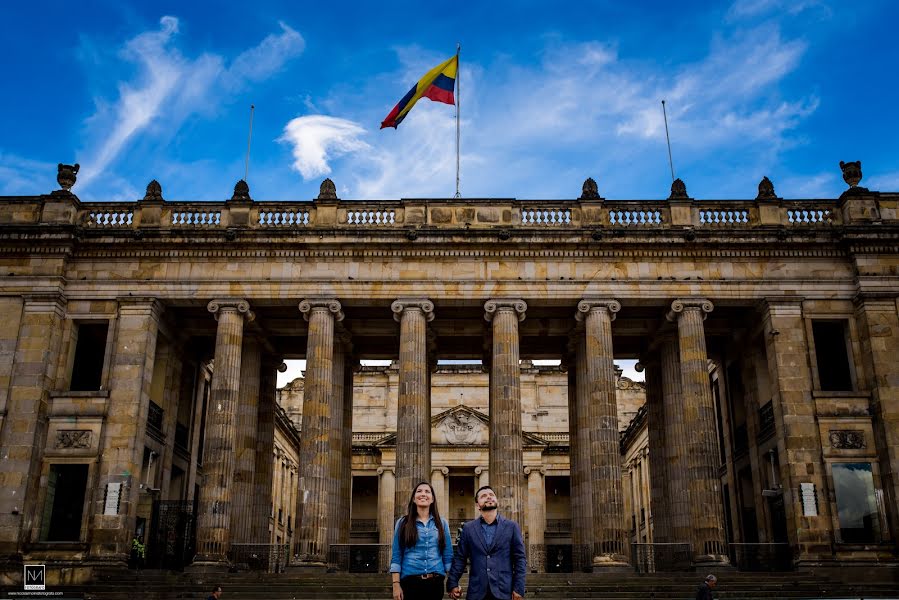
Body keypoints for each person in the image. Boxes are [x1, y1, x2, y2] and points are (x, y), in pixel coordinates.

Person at [447, 485, 526, 600]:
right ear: (477, 505)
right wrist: (452, 583)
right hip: (477, 592)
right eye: (484, 496)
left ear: (497, 501)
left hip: (504, 591)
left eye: (491, 495)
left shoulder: (512, 527)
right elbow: (460, 558)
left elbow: (520, 559)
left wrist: (519, 588)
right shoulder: (468, 529)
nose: (489, 497)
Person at [390, 481, 454, 600]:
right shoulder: (403, 523)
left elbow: (447, 554)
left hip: (435, 582)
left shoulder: (442, 523)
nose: (423, 494)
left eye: (427, 491)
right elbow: (397, 554)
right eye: (419, 491)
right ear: (414, 499)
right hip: (410, 582)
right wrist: (396, 584)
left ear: (432, 499)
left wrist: (452, 583)